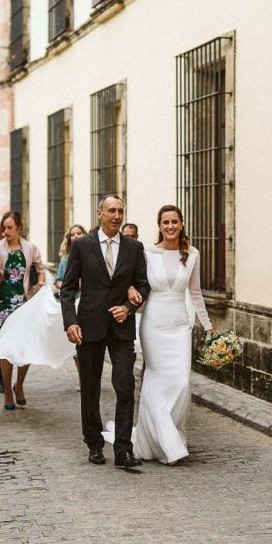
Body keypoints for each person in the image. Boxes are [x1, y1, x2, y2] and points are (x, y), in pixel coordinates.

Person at [60, 194, 150, 468]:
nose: (116, 216)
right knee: (90, 388)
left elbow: (143, 285)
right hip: (89, 326)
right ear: (99, 214)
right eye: (111, 211)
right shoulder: (83, 246)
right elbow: (67, 289)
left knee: (125, 386)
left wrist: (129, 308)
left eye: (120, 211)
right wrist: (70, 322)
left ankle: (123, 449)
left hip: (121, 328)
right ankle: (94, 444)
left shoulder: (134, 248)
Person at [125, 205, 213, 465]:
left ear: (182, 224)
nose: (170, 226)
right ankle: (165, 443)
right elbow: (130, 279)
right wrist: (130, 289)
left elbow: (195, 293)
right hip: (153, 322)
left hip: (180, 325)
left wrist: (207, 325)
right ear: (160, 225)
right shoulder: (148, 253)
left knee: (181, 383)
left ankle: (171, 431)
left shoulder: (192, 254)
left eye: (175, 221)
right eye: (166, 222)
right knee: (155, 380)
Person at [0, 211, 46, 411]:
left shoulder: (30, 248)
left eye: (9, 228)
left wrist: (40, 283)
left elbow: (40, 269)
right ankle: (7, 389)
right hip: (3, 305)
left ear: (19, 228)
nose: (5, 232)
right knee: (7, 349)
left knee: (26, 348)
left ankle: (19, 385)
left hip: (23, 304)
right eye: (3, 228)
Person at [55, 224, 89, 391]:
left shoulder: (92, 254)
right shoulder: (65, 259)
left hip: (90, 302)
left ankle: (88, 375)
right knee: (78, 343)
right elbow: (59, 281)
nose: (75, 236)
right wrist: (73, 284)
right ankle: (82, 376)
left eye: (79, 233)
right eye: (72, 234)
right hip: (74, 302)